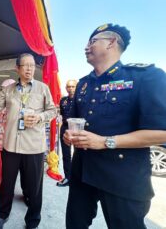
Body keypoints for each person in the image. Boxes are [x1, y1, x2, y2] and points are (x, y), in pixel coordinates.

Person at [63, 23, 166, 229]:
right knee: (74, 224)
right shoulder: (83, 83)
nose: (86, 47)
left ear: (111, 42)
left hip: (123, 178)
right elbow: (72, 120)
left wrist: (105, 142)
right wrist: (68, 135)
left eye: (92, 41)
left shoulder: (145, 77)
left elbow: (161, 133)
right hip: (83, 171)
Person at [0, 53, 57, 229]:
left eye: (32, 65)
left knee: (34, 186)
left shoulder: (43, 88)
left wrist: (39, 117)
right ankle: (2, 215)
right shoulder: (8, 89)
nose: (29, 68)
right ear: (17, 68)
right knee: (7, 184)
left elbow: (53, 111)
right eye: (25, 65)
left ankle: (33, 220)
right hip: (11, 145)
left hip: (33, 146)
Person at [56, 79, 77, 187]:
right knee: (66, 155)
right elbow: (61, 114)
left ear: (76, 87)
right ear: (66, 88)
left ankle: (77, 178)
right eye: (69, 86)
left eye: (73, 86)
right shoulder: (63, 100)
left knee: (78, 154)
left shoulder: (81, 99)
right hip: (65, 128)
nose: (71, 89)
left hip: (77, 129)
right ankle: (68, 177)